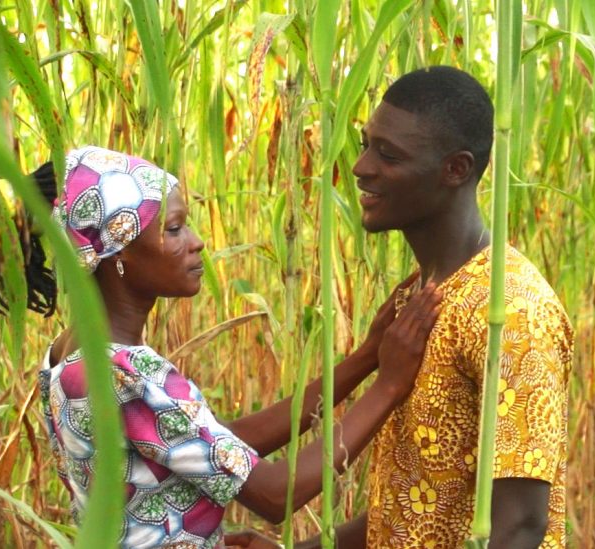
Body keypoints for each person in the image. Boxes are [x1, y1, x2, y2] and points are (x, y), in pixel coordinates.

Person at [227, 66, 572, 548]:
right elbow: (416, 502)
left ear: (456, 169)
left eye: (387, 155)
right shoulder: (419, 297)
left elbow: (520, 526)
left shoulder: (511, 313)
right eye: (367, 144)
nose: (361, 167)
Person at [29, 145, 442, 548]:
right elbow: (277, 495)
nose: (196, 243)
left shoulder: (69, 353)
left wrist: (367, 356)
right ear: (116, 253)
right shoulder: (124, 374)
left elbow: (218, 443)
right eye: (173, 229)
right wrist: (388, 384)